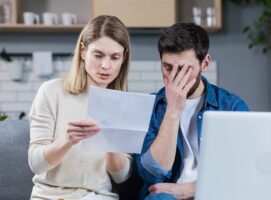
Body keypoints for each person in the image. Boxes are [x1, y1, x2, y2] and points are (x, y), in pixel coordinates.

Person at [136, 23, 249, 200]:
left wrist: (190, 190)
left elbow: (243, 171)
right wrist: (173, 111)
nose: (174, 77)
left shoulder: (232, 107)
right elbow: (151, 174)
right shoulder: (149, 107)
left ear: (205, 64)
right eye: (167, 68)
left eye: (183, 69)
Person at [28, 15, 132, 200]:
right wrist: (67, 140)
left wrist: (112, 143)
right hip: (49, 196)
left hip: (99, 196)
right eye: (98, 55)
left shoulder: (124, 104)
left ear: (123, 58)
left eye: (115, 57)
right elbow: (36, 164)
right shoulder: (51, 92)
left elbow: (121, 176)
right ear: (83, 51)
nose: (106, 66)